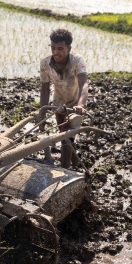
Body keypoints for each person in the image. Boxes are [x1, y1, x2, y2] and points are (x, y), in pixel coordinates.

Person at [39, 28, 89, 168]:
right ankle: (75, 164)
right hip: (58, 105)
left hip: (75, 105)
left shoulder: (77, 61)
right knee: (67, 136)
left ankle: (64, 169)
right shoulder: (45, 64)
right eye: (53, 48)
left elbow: (83, 83)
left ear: (69, 48)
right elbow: (44, 88)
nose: (55, 52)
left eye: (60, 48)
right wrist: (42, 112)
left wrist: (81, 105)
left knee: (66, 138)